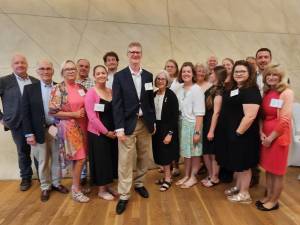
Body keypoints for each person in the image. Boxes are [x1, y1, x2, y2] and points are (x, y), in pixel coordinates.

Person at [112, 42, 156, 214]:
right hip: (127, 124)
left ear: (141, 54)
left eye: (138, 52)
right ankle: (124, 194)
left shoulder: (148, 76)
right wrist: (119, 128)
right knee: (125, 161)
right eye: (132, 52)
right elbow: (116, 104)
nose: (135, 55)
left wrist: (152, 123)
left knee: (144, 156)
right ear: (127, 54)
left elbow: (149, 102)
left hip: (145, 123)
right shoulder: (120, 76)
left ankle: (139, 183)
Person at [215, 60, 261, 204]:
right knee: (238, 164)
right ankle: (239, 187)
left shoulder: (251, 90)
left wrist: (238, 133)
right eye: (236, 71)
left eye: (242, 71)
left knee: (244, 165)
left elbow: (250, 116)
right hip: (233, 134)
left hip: (243, 135)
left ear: (250, 74)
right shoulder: (236, 88)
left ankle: (244, 193)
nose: (239, 74)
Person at [22, 60, 69, 202]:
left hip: (55, 129)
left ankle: (56, 183)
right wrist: (29, 134)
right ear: (37, 71)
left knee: (56, 157)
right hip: (38, 131)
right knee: (42, 160)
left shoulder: (59, 88)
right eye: (42, 69)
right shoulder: (30, 89)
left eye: (48, 68)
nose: (46, 71)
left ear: (53, 71)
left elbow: (65, 109)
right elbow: (25, 113)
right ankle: (45, 186)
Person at [49, 60, 89, 203]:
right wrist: (74, 114)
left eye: (73, 68)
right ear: (62, 72)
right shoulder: (58, 88)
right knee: (80, 158)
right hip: (70, 128)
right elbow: (53, 112)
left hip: (84, 127)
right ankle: (76, 190)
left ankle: (76, 185)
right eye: (67, 69)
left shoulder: (81, 87)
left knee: (79, 160)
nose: (71, 71)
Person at [256, 64, 294, 211]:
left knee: (277, 172)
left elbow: (284, 120)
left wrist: (270, 138)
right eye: (269, 75)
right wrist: (261, 133)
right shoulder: (267, 92)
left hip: (278, 138)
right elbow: (262, 116)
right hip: (265, 137)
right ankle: (269, 196)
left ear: (280, 77)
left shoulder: (287, 92)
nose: (271, 77)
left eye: (275, 75)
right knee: (269, 169)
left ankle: (274, 201)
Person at [0, 54, 39, 191]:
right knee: (23, 151)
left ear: (27, 65)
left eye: (22, 62)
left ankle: (42, 177)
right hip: (17, 123)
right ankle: (26, 177)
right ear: (12, 65)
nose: (20, 65)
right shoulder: (4, 81)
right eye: (17, 63)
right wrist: (1, 118)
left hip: (35, 122)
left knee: (38, 150)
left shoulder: (35, 81)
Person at [85, 65, 118, 200]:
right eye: (98, 73)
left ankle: (109, 185)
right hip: (98, 133)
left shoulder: (111, 91)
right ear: (94, 76)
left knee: (111, 159)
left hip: (113, 132)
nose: (101, 75)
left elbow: (116, 111)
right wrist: (106, 132)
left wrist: (116, 129)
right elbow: (92, 117)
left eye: (103, 73)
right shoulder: (91, 93)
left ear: (107, 75)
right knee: (101, 161)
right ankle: (101, 190)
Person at [175, 62, 205, 188]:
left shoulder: (197, 90)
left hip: (193, 125)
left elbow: (200, 113)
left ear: (193, 74)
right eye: (183, 71)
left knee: (195, 152)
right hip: (182, 124)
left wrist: (197, 132)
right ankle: (186, 175)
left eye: (188, 71)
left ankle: (193, 177)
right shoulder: (179, 88)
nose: (186, 74)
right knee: (186, 153)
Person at [152, 70, 179, 192]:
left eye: (163, 79)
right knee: (159, 153)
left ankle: (168, 179)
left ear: (167, 81)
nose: (160, 81)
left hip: (167, 128)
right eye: (158, 79)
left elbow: (175, 117)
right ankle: (166, 176)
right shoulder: (154, 94)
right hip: (156, 128)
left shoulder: (171, 95)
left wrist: (170, 133)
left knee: (166, 154)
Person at [201, 66, 227, 187]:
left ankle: (215, 177)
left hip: (214, 124)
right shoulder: (212, 88)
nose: (209, 74)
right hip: (207, 122)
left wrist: (211, 131)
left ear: (217, 75)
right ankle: (211, 175)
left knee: (213, 153)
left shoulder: (220, 90)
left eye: (212, 73)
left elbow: (216, 112)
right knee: (207, 152)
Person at [76, 58, 93, 186]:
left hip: (90, 122)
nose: (83, 68)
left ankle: (93, 175)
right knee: (79, 150)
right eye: (81, 66)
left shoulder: (93, 84)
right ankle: (82, 176)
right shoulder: (70, 83)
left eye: (86, 66)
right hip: (75, 123)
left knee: (90, 149)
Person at [164, 59, 181, 176]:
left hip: (175, 114)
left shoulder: (179, 82)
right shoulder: (163, 80)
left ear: (176, 69)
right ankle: (167, 165)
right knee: (166, 141)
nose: (169, 68)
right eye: (167, 66)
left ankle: (176, 165)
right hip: (164, 116)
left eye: (172, 66)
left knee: (175, 141)